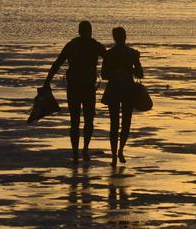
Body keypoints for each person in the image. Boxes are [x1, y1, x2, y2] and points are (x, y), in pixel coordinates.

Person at [45, 21, 107, 162]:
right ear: (90, 31)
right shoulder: (94, 44)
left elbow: (57, 63)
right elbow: (109, 57)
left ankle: (75, 153)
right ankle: (85, 149)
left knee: (74, 121)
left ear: (79, 31)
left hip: (73, 86)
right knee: (89, 120)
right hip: (88, 87)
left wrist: (47, 81)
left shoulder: (72, 44)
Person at [101, 26, 143, 166]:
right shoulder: (131, 53)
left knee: (114, 123)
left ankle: (114, 154)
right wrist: (131, 67)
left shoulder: (109, 54)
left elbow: (104, 75)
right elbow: (140, 74)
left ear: (114, 38)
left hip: (113, 89)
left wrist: (115, 72)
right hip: (128, 89)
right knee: (126, 122)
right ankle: (120, 150)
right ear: (125, 37)